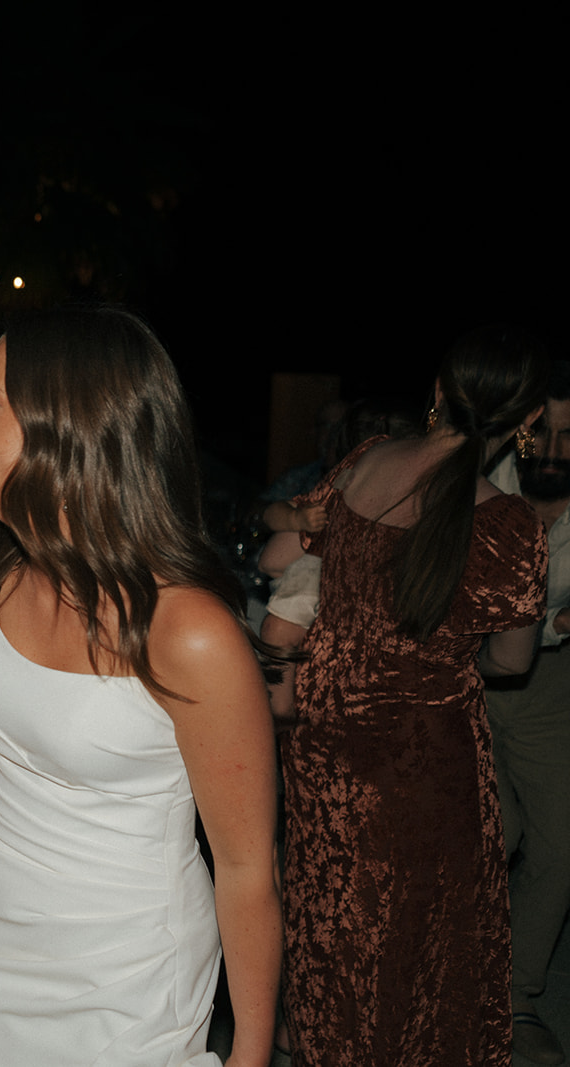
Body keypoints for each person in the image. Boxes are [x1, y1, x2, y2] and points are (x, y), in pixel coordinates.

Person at [0, 307, 281, 1067]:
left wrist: (252, 1055)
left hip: (123, 976)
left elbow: (248, 867)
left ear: (70, 426)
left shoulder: (189, 630)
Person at [264, 324, 549, 1066]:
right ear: (525, 423)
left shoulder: (363, 462)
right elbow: (513, 661)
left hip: (326, 741)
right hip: (425, 760)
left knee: (330, 919)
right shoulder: (511, 524)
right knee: (420, 949)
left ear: (437, 393)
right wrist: (441, 655)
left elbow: (291, 549)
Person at [486, 359, 570, 1064]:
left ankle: (516, 990)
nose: (553, 450)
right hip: (467, 668)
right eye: (542, 432)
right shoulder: (478, 484)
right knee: (492, 826)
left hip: (551, 683)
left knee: (561, 839)